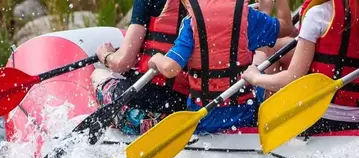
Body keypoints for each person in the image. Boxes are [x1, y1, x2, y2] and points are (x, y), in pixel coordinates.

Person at [147, 0, 294, 134]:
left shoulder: (191, 22)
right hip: (245, 115)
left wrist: (156, 58)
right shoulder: (247, 15)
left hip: (205, 119)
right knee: (265, 61)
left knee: (262, 58)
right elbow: (287, 27)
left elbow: (170, 69)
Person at [242, 0, 359, 135]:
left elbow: (291, 79)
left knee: (272, 52)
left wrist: (255, 77)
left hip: (319, 118)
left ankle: (267, 126)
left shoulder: (318, 14)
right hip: (355, 122)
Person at [92, 0, 189, 135]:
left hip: (141, 113)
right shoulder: (207, 7)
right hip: (187, 113)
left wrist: (106, 55)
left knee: (98, 74)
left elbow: (122, 63)